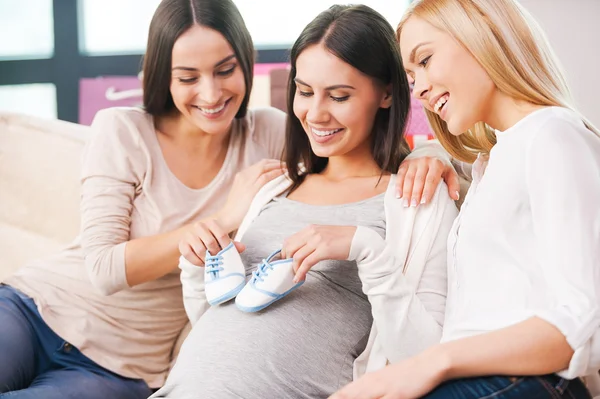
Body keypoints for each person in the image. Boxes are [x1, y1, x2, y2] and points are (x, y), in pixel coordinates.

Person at [151, 4, 457, 399]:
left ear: (386, 93)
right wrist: (195, 266)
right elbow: (216, 326)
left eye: (339, 96)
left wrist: (367, 250)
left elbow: (426, 357)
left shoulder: (418, 198)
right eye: (305, 91)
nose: (315, 114)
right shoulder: (272, 186)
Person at [0, 0, 288, 397]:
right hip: (36, 307)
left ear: (245, 60)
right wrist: (220, 221)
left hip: (124, 367)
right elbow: (104, 269)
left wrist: (408, 162)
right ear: (163, 78)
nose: (211, 93)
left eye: (225, 70)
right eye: (188, 77)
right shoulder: (123, 130)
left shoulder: (270, 134)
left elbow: (355, 154)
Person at [331, 0, 600, 398]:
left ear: (483, 35)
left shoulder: (552, 135)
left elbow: (584, 324)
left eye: (424, 60)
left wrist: (436, 362)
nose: (418, 87)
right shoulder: (494, 162)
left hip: (522, 383)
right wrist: (432, 154)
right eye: (410, 76)